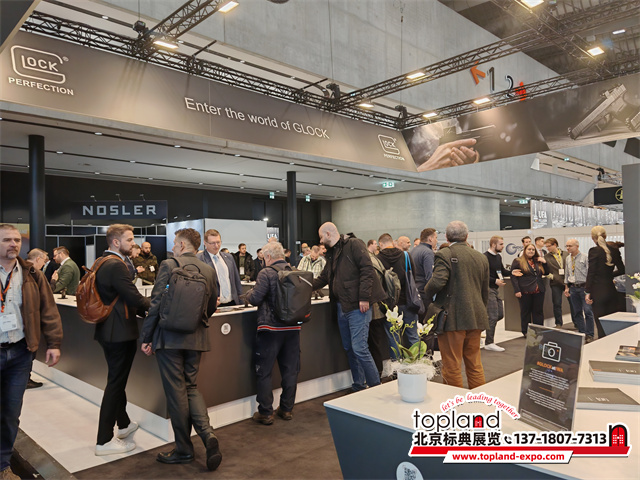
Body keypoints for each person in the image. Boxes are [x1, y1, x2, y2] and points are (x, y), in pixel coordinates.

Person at [140, 228, 221, 470]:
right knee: (191, 387)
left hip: (169, 339)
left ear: (183, 245)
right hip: (196, 338)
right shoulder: (208, 269)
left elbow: (156, 303)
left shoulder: (169, 265)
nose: (173, 247)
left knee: (176, 393)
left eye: (175, 243)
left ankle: (184, 450)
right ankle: (207, 434)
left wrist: (147, 337)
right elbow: (211, 305)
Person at [0, 224, 63, 480]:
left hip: (20, 354)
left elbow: (48, 309)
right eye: (7, 240)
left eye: (16, 240)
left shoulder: (31, 273)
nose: (13, 244)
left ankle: (3, 466)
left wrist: (54, 343)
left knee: (11, 413)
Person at [94, 224, 151, 456]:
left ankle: (124, 424)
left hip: (110, 330)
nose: (133, 243)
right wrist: (158, 307)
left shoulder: (102, 261)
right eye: (129, 239)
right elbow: (134, 297)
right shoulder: (116, 265)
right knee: (115, 384)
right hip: (118, 332)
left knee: (116, 380)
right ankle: (104, 440)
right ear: (116, 242)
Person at [312, 222, 385, 391]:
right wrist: (303, 285)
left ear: (328, 234)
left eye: (321, 237)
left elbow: (367, 270)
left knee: (359, 348)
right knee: (350, 348)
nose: (320, 241)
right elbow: (324, 278)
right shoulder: (332, 254)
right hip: (341, 307)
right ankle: (359, 385)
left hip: (357, 308)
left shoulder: (354, 244)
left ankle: (376, 386)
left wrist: (364, 298)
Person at [424, 221, 489, 389]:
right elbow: (484, 291)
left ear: (446, 237)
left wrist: (426, 291)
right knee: (475, 364)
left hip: (452, 318)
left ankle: (455, 401)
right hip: (476, 316)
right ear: (466, 236)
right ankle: (479, 400)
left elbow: (437, 282)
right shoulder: (481, 257)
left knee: (451, 365)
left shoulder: (444, 254)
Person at [246, 242, 301, 425]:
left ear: (268, 256)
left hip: (270, 329)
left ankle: (266, 412)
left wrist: (248, 294)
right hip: (293, 328)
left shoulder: (266, 273)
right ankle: (286, 409)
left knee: (264, 371)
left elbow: (255, 298)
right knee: (290, 371)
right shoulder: (294, 272)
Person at [377, 233, 419, 357]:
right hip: (408, 301)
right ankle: (417, 363)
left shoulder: (378, 259)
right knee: (413, 335)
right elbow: (413, 276)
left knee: (393, 338)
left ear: (380, 244)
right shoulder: (405, 256)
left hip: (389, 305)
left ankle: (397, 365)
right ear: (392, 242)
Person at [585, 226, 625, 339]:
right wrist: (608, 276)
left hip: (597, 292)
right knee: (612, 322)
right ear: (605, 236)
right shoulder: (615, 250)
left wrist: (587, 292)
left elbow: (591, 272)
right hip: (611, 290)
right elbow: (622, 270)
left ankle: (602, 345)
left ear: (592, 237)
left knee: (600, 324)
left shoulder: (593, 251)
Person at [197, 229, 243, 306]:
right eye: (212, 243)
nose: (216, 246)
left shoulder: (229, 257)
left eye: (218, 242)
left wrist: (241, 302)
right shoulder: (199, 259)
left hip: (232, 302)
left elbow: (236, 281)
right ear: (205, 243)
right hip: (214, 305)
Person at [511, 243, 547, 336]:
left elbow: (546, 272)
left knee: (538, 312)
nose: (531, 251)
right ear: (524, 250)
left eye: (533, 250)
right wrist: (517, 290)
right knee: (526, 312)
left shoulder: (537, 261)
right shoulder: (518, 261)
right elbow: (513, 277)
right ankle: (526, 331)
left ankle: (539, 330)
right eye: (529, 249)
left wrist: (544, 262)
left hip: (539, 290)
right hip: (525, 290)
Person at [564, 239, 595, 342]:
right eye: (566, 246)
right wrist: (566, 287)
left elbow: (590, 273)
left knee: (588, 311)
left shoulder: (585, 257)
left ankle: (590, 334)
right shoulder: (568, 258)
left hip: (584, 287)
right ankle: (582, 333)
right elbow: (567, 273)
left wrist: (589, 289)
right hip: (573, 288)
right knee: (577, 312)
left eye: (570, 246)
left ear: (577, 246)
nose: (568, 248)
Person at [483, 236, 507, 352]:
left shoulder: (498, 257)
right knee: (492, 316)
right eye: (501, 244)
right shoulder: (484, 257)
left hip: (496, 289)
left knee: (500, 315)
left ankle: (479, 329)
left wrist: (513, 272)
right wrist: (494, 280)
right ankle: (489, 342)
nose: (503, 246)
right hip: (488, 289)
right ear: (493, 245)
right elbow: (483, 275)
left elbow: (502, 271)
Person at [543, 238, 569, 328]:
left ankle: (577, 323)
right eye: (546, 247)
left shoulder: (566, 254)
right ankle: (558, 323)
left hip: (568, 282)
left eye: (549, 246)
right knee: (557, 303)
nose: (547, 248)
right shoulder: (546, 257)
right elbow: (545, 271)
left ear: (555, 245)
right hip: (555, 283)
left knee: (573, 303)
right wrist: (553, 277)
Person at [412, 228, 437, 317]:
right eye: (436, 238)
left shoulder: (413, 251)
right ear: (430, 239)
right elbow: (430, 276)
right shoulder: (428, 253)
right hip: (424, 295)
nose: (436, 241)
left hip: (414, 293)